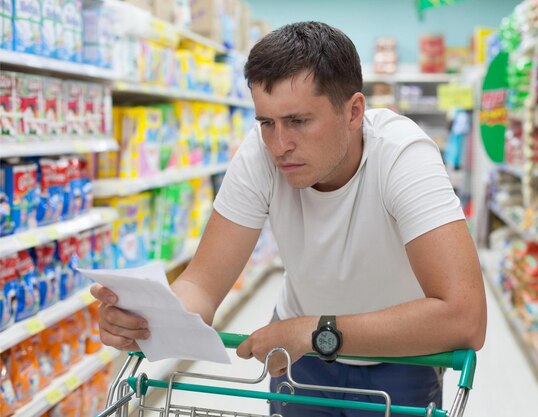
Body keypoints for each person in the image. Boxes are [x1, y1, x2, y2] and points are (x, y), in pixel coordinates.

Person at [91, 21, 487, 416]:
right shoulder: (258, 155)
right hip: (301, 352)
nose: (279, 145)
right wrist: (150, 321)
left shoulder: (404, 157)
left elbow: (465, 317)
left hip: (400, 357)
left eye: (299, 121)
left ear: (353, 111)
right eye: (266, 123)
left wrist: (314, 331)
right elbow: (202, 283)